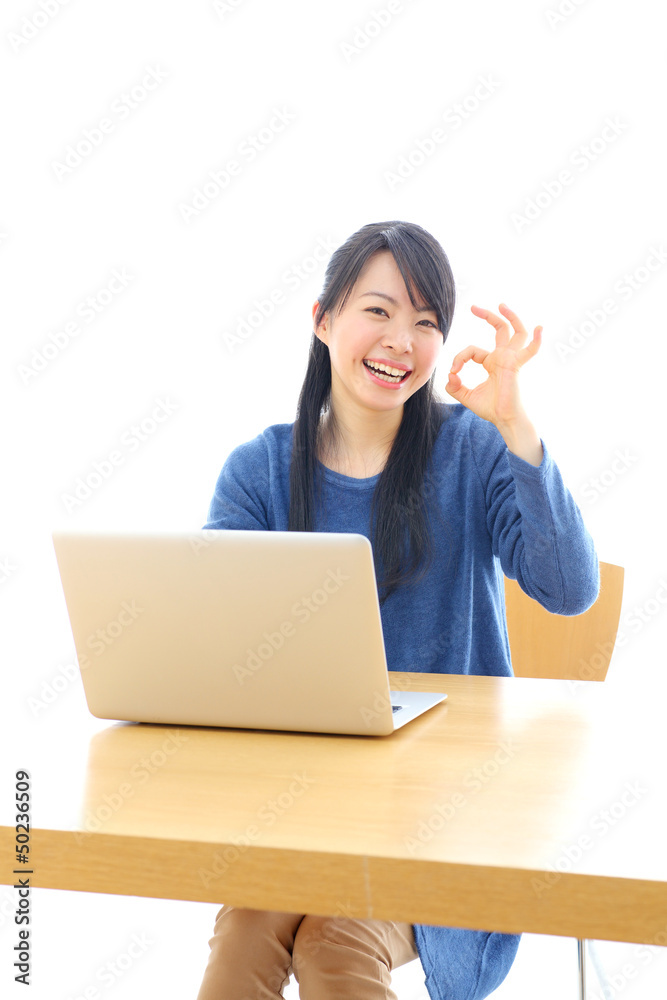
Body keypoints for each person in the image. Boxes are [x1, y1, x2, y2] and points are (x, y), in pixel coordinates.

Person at [195, 220, 599, 1000]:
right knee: (242, 937)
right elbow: (212, 641)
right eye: (377, 311)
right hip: (306, 807)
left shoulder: (471, 450)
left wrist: (514, 425)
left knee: (335, 942)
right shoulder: (259, 472)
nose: (400, 341)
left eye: (424, 321)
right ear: (323, 320)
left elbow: (568, 588)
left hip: (454, 810)